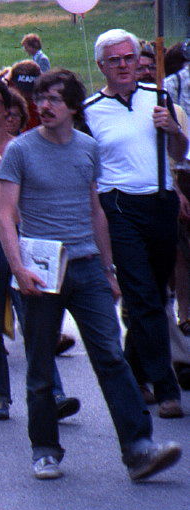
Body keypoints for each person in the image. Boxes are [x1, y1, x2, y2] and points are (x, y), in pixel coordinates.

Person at [0, 69, 182, 481]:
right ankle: (45, 448)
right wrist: (17, 267)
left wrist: (108, 268)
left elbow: (97, 211)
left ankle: (139, 449)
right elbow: (4, 214)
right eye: (40, 98)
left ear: (73, 108)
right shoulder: (20, 150)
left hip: (86, 266)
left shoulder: (87, 148)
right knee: (41, 364)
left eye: (55, 100)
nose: (44, 106)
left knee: (111, 357)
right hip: (41, 267)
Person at [0, 75, 76, 420]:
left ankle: (54, 392)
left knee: (37, 323)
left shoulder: (26, 147)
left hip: (24, 242)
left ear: (8, 110)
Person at [83, 29, 188, 418]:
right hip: (119, 206)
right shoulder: (91, 109)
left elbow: (179, 154)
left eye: (129, 58)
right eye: (115, 61)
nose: (124, 66)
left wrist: (173, 130)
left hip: (159, 203)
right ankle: (166, 388)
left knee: (156, 296)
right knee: (142, 296)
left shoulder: (159, 99)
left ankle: (133, 370)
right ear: (102, 67)